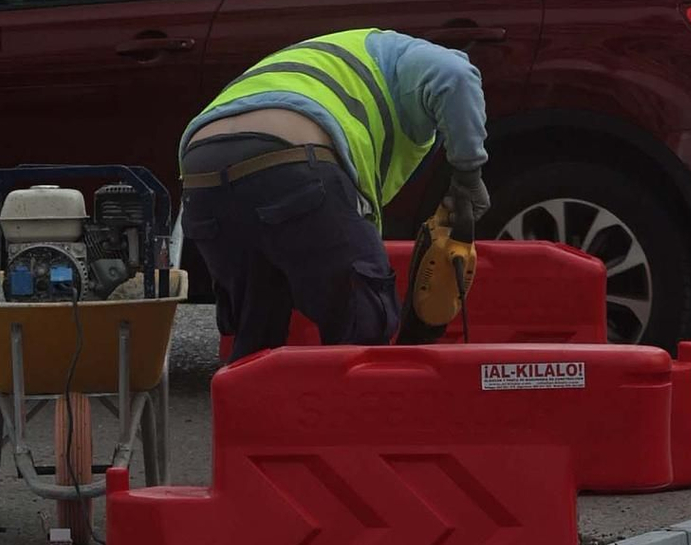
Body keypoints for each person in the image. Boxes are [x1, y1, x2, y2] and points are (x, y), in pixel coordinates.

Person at [179, 28, 490, 357]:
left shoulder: (319, 58)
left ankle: (256, 409)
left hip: (200, 175)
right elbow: (456, 76)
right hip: (294, 160)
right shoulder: (401, 55)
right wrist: (467, 175)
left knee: (256, 330)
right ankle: (360, 409)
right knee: (362, 321)